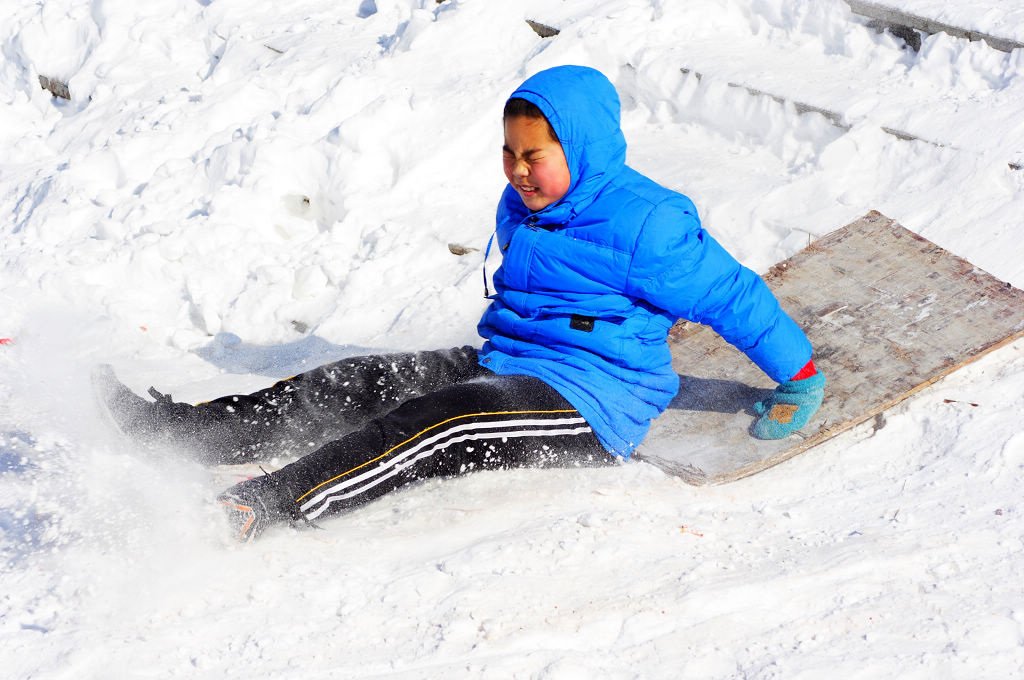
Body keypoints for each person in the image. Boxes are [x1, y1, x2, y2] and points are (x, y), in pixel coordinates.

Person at [97, 65, 825, 541]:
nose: (517, 170)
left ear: (584, 148)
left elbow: (732, 294)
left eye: (533, 155)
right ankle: (184, 433)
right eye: (508, 152)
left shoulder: (649, 224)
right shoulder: (526, 201)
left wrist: (798, 374)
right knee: (352, 381)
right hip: (509, 359)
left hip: (594, 402)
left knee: (433, 426)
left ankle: (266, 504)